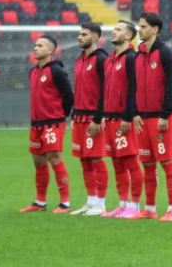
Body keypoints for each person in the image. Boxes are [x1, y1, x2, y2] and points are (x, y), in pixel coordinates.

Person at [131, 12, 172, 222]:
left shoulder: (166, 53)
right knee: (148, 164)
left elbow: (171, 86)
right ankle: (149, 208)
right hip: (142, 118)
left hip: (161, 117)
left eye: (143, 26)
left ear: (155, 29)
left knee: (166, 162)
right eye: (139, 26)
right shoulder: (138, 54)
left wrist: (165, 113)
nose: (139, 29)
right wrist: (134, 113)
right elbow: (133, 86)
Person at [20, 35, 74, 213]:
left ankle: (65, 203)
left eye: (40, 46)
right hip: (36, 124)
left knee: (55, 158)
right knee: (38, 161)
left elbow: (68, 96)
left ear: (50, 50)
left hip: (52, 123)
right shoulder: (33, 72)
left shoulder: (57, 71)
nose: (35, 48)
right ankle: (40, 203)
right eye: (35, 45)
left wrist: (62, 115)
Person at [100, 20, 144, 219]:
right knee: (116, 163)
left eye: (118, 29)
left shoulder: (132, 58)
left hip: (123, 119)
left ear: (128, 36)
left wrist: (128, 115)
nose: (113, 32)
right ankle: (122, 203)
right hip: (109, 118)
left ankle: (135, 205)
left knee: (131, 161)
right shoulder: (110, 59)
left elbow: (135, 88)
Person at [70, 23, 109, 217]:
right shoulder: (79, 60)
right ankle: (90, 201)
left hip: (93, 117)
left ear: (94, 38)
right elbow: (79, 91)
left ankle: (101, 204)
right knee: (84, 160)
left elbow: (106, 90)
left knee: (96, 158)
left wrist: (98, 117)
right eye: (79, 34)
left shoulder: (102, 59)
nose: (79, 37)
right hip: (79, 117)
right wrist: (72, 116)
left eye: (84, 34)